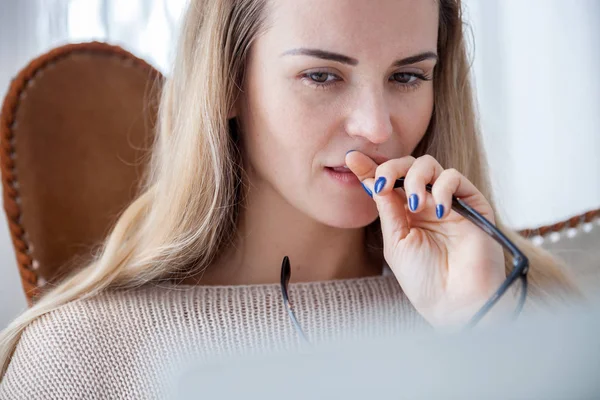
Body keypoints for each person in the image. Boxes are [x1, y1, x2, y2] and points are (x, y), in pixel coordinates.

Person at [0, 0, 579, 397]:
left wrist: (488, 344)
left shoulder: (536, 311)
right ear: (227, 83)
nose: (377, 128)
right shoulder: (81, 357)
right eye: (322, 76)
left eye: (407, 77)